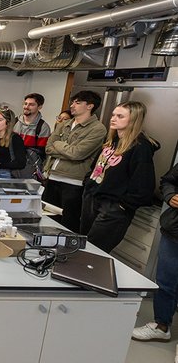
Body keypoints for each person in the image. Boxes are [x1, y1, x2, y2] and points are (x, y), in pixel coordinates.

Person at [80, 101, 159, 253]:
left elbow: (144, 185)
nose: (113, 118)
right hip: (92, 199)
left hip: (113, 208)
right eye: (113, 115)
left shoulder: (141, 147)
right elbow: (95, 167)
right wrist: (87, 185)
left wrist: (121, 206)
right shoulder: (111, 142)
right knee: (83, 246)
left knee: (94, 252)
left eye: (120, 116)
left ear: (133, 120)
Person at [42, 90, 107, 233]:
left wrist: (59, 144)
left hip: (74, 183)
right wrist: (67, 149)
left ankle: (64, 254)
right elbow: (48, 148)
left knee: (67, 224)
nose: (72, 105)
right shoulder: (64, 124)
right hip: (52, 178)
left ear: (90, 106)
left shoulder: (98, 129)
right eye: (72, 102)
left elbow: (77, 153)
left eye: (77, 102)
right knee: (47, 220)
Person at [131, 162, 178, 349]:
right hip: (174, 231)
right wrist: (170, 195)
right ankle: (161, 326)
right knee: (165, 282)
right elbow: (168, 180)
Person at [13, 93, 51, 180]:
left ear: (40, 107)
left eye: (31, 104)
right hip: (10, 165)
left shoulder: (43, 127)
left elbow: (41, 153)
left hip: (28, 169)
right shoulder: (14, 122)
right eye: (25, 104)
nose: (26, 107)